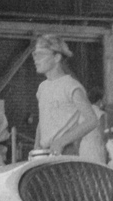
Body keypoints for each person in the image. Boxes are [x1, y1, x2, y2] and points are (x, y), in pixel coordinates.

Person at [32, 34, 106, 163]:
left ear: (57, 57)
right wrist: (36, 145)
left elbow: (92, 120)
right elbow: (42, 119)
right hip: (44, 153)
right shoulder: (42, 88)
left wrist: (62, 141)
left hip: (66, 152)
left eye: (41, 55)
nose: (36, 59)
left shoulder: (71, 86)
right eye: (35, 54)